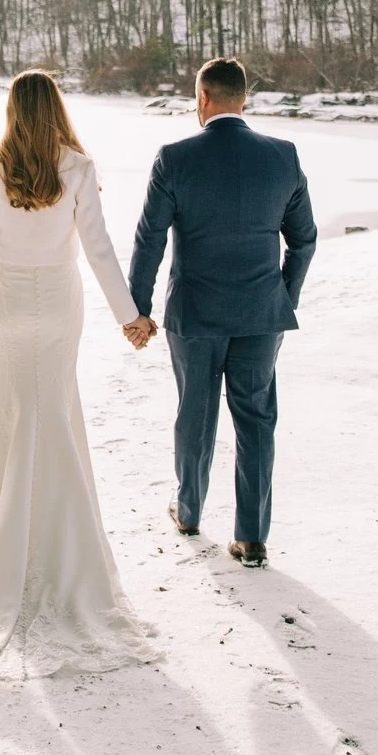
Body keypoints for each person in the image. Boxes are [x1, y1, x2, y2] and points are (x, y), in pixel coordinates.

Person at [0, 70, 162, 677]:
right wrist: (130, 317)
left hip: (7, 307)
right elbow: (98, 248)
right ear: (58, 110)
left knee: (9, 419)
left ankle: (1, 544)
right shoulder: (80, 167)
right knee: (52, 418)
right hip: (59, 307)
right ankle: (62, 555)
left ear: (14, 111)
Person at [128, 56, 316, 569]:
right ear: (245, 98)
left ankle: (188, 511)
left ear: (204, 98)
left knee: (196, 412)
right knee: (255, 419)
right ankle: (252, 538)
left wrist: (137, 309)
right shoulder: (283, 156)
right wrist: (284, 296)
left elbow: (149, 241)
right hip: (261, 313)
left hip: (195, 313)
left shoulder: (175, 157)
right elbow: (304, 240)